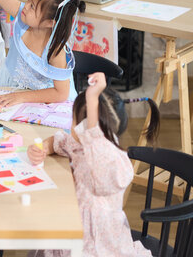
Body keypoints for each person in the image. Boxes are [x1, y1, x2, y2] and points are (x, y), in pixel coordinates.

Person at [27, 72, 160, 257]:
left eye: (74, 121)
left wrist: (91, 99)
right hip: (74, 230)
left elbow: (97, 147)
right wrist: (43, 148)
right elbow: (61, 141)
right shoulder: (81, 143)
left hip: (101, 246)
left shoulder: (114, 160)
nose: (71, 126)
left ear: (86, 127)